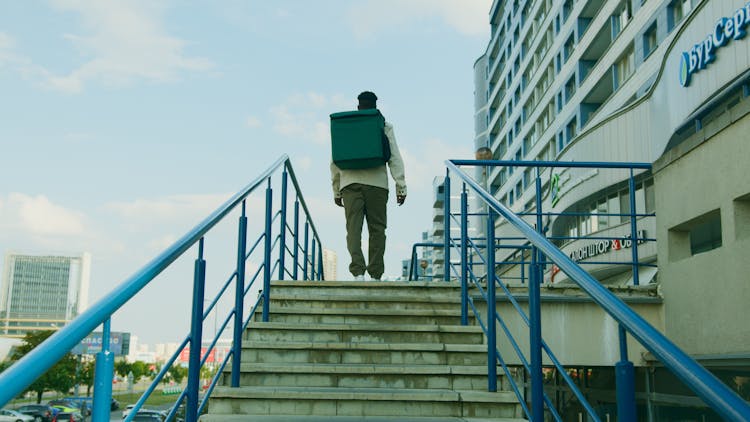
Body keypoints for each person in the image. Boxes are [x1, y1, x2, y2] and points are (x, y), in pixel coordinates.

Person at [330, 91, 407, 281]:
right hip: (378, 185)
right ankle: (375, 275)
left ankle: (357, 272)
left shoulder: (345, 124)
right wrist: (401, 186)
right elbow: (394, 156)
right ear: (375, 107)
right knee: (377, 230)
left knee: (353, 230)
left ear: (358, 107)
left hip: (350, 184)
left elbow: (334, 159)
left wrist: (336, 189)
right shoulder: (383, 125)